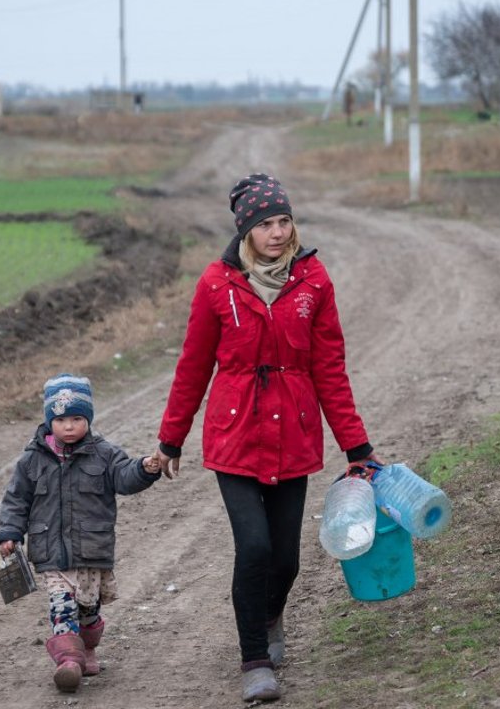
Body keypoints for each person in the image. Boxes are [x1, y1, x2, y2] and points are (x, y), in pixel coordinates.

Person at [154, 173, 381, 703]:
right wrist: (171, 439)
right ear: (245, 230)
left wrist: (358, 449)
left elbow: (330, 369)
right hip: (235, 435)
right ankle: (253, 659)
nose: (277, 233)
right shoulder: (216, 283)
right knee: (253, 547)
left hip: (295, 435)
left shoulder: (314, 281)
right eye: (264, 224)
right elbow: (192, 366)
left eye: (284, 221)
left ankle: (271, 612)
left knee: (287, 560)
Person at [0, 374, 162, 694]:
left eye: (77, 418)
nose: (68, 426)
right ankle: (68, 662)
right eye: (60, 419)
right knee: (62, 606)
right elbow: (16, 498)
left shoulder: (104, 453)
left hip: (91, 549)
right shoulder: (32, 458)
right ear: (49, 420)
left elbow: (125, 478)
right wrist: (9, 533)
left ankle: (87, 649)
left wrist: (144, 467)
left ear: (88, 419)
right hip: (51, 552)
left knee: (87, 610)